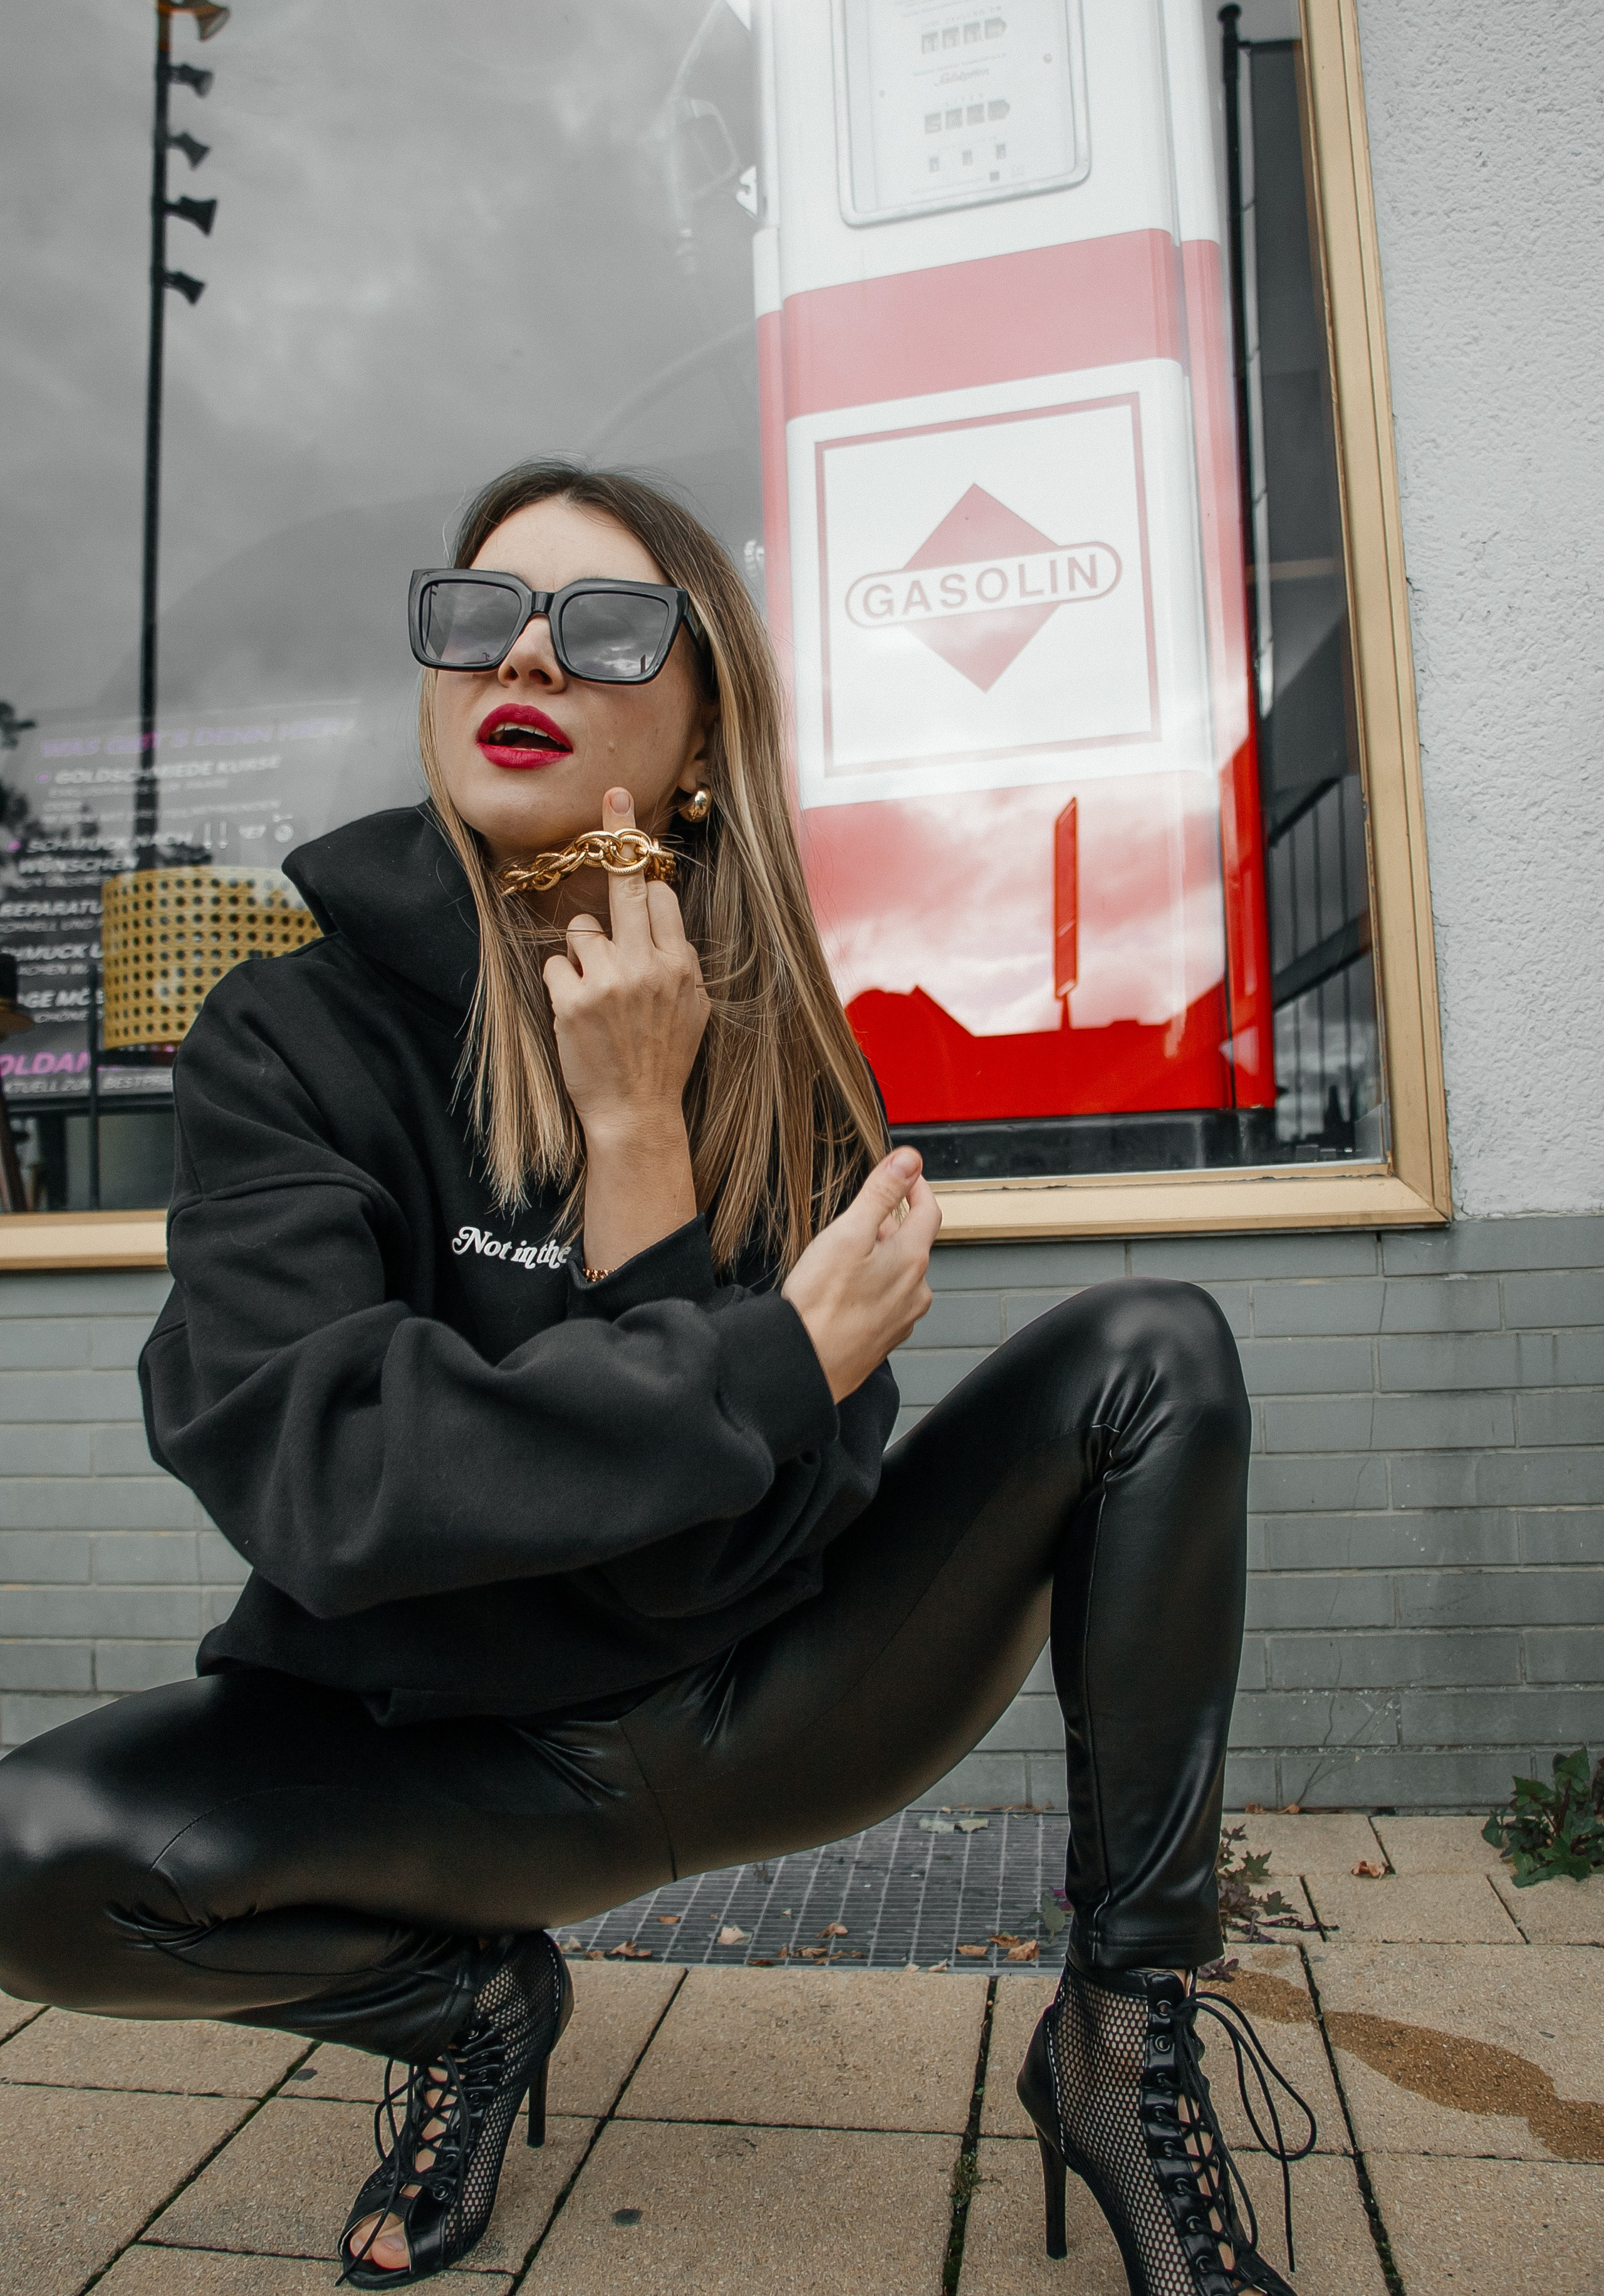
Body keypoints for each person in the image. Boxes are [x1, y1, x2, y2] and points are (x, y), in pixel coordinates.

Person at [0, 464, 1309, 2292]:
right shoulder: (285, 1043)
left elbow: (714, 1567)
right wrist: (763, 1357)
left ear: (698, 746)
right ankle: (469, 2010)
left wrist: (641, 1141)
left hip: (775, 1704)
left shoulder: (773, 1049)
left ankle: (1123, 2032)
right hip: (447, 1766)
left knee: (1153, 1351)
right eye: (478, 610)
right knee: (36, 1852)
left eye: (608, 623)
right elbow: (324, 1477)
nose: (524, 644)